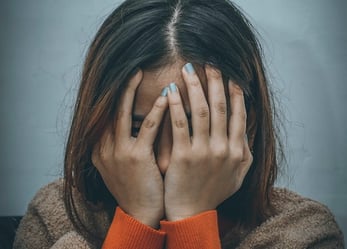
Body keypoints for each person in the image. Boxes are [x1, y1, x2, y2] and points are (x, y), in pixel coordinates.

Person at [13, 0, 344, 248]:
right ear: (97, 121)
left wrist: (190, 218)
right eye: (139, 129)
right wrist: (136, 221)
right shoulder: (54, 218)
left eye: (196, 130)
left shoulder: (303, 234)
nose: (167, 160)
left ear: (248, 123)